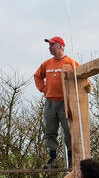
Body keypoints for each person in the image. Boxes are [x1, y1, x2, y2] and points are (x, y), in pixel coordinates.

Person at [34, 35, 79, 169]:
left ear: (59, 46)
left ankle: (72, 160)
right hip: (50, 102)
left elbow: (82, 75)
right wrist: (43, 88)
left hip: (65, 102)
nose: (49, 47)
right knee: (50, 130)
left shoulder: (70, 62)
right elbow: (37, 76)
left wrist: (85, 87)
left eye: (52, 45)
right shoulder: (47, 64)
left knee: (69, 131)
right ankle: (52, 159)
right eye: (49, 45)